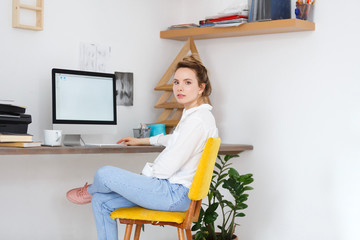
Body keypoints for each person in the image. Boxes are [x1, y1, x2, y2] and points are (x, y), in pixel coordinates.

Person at [66, 54, 218, 240]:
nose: (179, 87)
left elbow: (166, 168)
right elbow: (175, 140)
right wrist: (144, 141)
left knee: (104, 174)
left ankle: (91, 189)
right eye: (176, 82)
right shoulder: (196, 117)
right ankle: (96, 192)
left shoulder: (197, 121)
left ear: (201, 88)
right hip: (173, 192)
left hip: (173, 194)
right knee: (101, 201)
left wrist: (141, 179)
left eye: (187, 82)